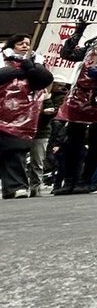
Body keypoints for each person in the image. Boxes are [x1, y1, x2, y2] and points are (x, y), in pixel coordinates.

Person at [53, 18, 97, 195]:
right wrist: (79, 31)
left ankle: (86, 180)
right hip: (79, 97)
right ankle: (70, 180)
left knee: (96, 142)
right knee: (72, 141)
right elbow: (67, 54)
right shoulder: (89, 49)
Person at [0, 34, 53, 199]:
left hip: (22, 116)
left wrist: (31, 68)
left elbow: (44, 80)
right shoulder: (2, 58)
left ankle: (16, 187)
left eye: (27, 43)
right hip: (3, 110)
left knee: (16, 150)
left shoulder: (36, 61)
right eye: (20, 43)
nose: (24, 45)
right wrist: (18, 71)